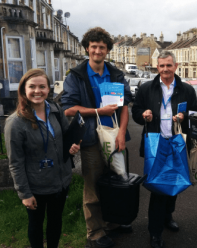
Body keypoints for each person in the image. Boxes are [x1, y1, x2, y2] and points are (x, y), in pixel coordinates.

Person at [61, 27, 132, 248]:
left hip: (115, 137)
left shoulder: (116, 74)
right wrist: (98, 112)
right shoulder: (76, 75)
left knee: (115, 180)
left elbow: (124, 106)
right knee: (93, 185)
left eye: (102, 47)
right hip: (91, 139)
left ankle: (112, 222)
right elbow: (69, 109)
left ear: (107, 50)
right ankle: (95, 232)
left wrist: (122, 133)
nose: (98, 50)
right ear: (87, 49)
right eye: (93, 47)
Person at [4, 69, 80, 248]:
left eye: (42, 87)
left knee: (55, 222)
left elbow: (66, 138)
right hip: (35, 186)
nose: (37, 91)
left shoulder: (55, 110)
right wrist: (25, 194)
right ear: (23, 89)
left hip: (60, 181)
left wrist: (72, 147)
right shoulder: (15, 123)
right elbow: (15, 162)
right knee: (36, 225)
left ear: (48, 89)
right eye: (32, 87)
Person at [132, 50, 197, 248]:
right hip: (156, 143)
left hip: (177, 144)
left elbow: (194, 112)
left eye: (169, 65)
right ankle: (155, 232)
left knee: (174, 183)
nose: (165, 69)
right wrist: (143, 114)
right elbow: (135, 111)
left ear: (175, 66)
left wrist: (184, 117)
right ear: (157, 67)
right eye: (161, 66)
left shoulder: (186, 89)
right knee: (157, 188)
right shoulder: (146, 88)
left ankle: (168, 216)